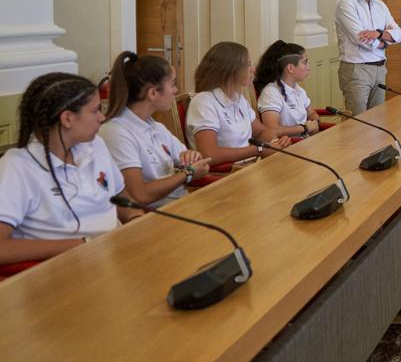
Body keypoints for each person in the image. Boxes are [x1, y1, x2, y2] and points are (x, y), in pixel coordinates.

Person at [0, 73, 136, 265]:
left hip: (114, 254)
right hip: (66, 269)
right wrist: (83, 244)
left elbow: (124, 201)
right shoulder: (18, 166)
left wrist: (136, 219)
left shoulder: (96, 145)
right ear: (67, 119)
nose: (102, 117)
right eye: (95, 110)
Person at [98, 52, 211, 207]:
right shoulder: (115, 132)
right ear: (153, 93)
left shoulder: (156, 127)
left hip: (181, 204)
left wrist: (193, 158)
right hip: (155, 216)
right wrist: (188, 173)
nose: (176, 90)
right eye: (172, 84)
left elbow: (199, 164)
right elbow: (140, 195)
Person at [187, 42, 289, 166]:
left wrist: (274, 142)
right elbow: (210, 155)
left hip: (250, 166)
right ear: (231, 70)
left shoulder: (238, 98)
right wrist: (259, 149)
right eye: (248, 65)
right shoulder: (203, 102)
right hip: (228, 175)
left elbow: (261, 132)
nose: (253, 69)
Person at [335, 0, 401, 114]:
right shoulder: (346, 4)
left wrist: (378, 34)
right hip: (357, 69)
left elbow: (399, 33)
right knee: (357, 122)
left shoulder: (380, 5)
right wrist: (384, 44)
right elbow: (361, 38)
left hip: (380, 68)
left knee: (376, 121)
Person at [254, 40, 321, 139]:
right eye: (305, 63)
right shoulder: (271, 92)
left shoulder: (299, 90)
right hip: (288, 146)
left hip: (305, 141)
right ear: (290, 68)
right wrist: (304, 128)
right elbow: (271, 129)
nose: (308, 68)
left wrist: (315, 121)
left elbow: (311, 113)